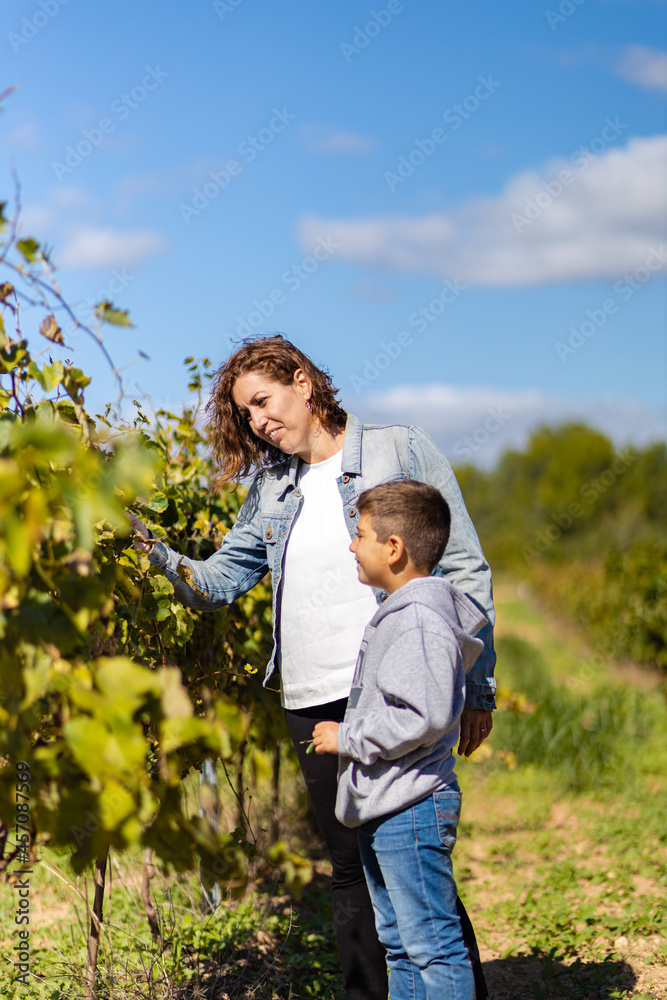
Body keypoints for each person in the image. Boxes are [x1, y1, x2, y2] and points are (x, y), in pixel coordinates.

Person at [129, 334, 494, 1000]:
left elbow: (464, 568)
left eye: (263, 401)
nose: (258, 421)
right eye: (245, 414)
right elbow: (214, 583)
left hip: (391, 692)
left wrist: (477, 686)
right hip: (309, 694)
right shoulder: (272, 484)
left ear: (302, 381)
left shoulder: (398, 448)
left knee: (408, 861)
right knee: (352, 869)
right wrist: (142, 545)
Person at [312, 480, 484, 1000]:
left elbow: (424, 715)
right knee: (402, 946)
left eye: (359, 534)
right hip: (388, 804)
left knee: (432, 946)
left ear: (394, 548)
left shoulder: (418, 620)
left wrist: (350, 736)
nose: (350, 545)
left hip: (410, 806)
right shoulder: (403, 612)